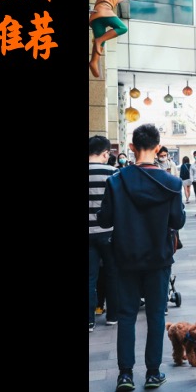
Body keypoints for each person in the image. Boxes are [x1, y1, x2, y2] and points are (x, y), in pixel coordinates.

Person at [96, 123, 185, 392]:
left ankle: (125, 375)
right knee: (157, 316)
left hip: (124, 257)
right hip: (158, 258)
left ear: (132, 147)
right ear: (158, 148)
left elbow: (104, 219)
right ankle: (153, 373)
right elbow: (178, 221)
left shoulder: (116, 180)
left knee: (126, 316)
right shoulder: (171, 182)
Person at [88, 0, 148, 78]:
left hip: (95, 17)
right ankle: (99, 40)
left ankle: (93, 61)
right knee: (122, 28)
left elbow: (119, 0)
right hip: (104, 12)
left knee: (100, 43)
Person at [89, 135, 118, 332]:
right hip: (109, 232)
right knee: (113, 274)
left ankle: (89, 320)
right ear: (106, 153)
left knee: (90, 277)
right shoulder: (114, 173)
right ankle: (112, 315)